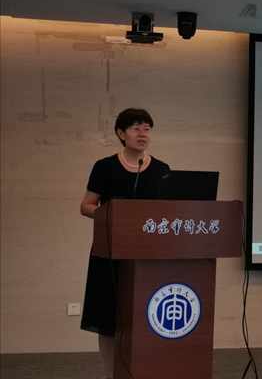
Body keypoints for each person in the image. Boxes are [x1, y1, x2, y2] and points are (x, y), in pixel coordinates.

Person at [79, 108, 169, 379]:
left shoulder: (162, 170)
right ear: (121, 134)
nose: (143, 134)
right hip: (110, 254)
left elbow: (167, 212)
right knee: (108, 321)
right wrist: (111, 213)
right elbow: (86, 205)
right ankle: (110, 374)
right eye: (135, 128)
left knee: (146, 317)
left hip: (148, 256)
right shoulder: (105, 167)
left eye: (147, 129)